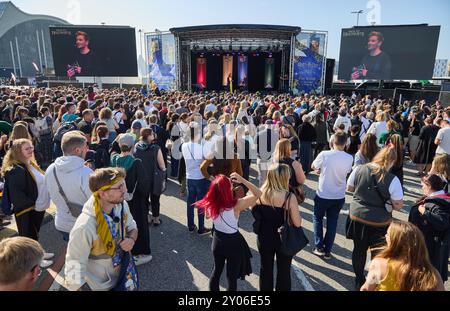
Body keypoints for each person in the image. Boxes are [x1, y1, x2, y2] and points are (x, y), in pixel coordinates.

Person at [64, 168, 138, 291]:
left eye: (123, 184)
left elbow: (132, 227)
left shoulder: (121, 205)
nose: (125, 190)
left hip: (125, 274)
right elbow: (74, 268)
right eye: (119, 187)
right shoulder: (84, 227)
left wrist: (131, 239)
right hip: (100, 286)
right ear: (102, 193)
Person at [346, 147, 404, 290]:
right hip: (380, 221)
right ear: (391, 161)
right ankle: (374, 282)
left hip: (357, 216)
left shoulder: (359, 169)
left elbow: (349, 188)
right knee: (378, 254)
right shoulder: (392, 179)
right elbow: (398, 205)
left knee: (358, 250)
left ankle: (359, 279)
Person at [196, 173, 260, 291]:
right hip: (233, 243)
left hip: (217, 241)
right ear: (228, 189)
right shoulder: (236, 205)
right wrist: (243, 180)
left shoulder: (210, 203)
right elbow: (258, 194)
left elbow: (207, 216)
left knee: (216, 271)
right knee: (231, 277)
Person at [1, 138, 54, 267]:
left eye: (31, 147)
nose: (31, 150)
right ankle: (34, 261)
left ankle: (38, 254)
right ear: (18, 151)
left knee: (34, 234)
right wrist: (31, 204)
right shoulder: (16, 170)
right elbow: (17, 195)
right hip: (28, 209)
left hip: (37, 206)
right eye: (27, 148)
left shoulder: (28, 163)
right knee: (27, 236)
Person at [252, 164, 302, 291]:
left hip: (264, 236)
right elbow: (297, 223)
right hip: (283, 238)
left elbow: (254, 211)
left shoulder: (260, 195)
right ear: (285, 178)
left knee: (265, 269)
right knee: (284, 271)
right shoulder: (289, 197)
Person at [361, 220, 445, 291]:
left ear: (395, 242)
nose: (385, 236)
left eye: (388, 234)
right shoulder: (432, 273)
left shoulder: (379, 265)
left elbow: (366, 288)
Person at [111, 134, 152, 266]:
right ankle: (141, 252)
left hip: (118, 200)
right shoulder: (136, 162)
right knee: (138, 225)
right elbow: (144, 186)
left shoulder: (114, 160)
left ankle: (125, 250)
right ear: (132, 146)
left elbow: (112, 150)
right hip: (136, 201)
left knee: (123, 225)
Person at [311, 133, 353, 259]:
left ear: (332, 141)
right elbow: (347, 171)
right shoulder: (349, 157)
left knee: (317, 218)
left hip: (324, 193)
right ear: (345, 143)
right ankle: (328, 249)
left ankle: (319, 246)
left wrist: (319, 170)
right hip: (339, 194)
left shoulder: (325, 154)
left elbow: (313, 166)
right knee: (332, 222)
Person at [45, 131, 92, 241]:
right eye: (86, 147)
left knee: (72, 254)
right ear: (78, 150)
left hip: (61, 222)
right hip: (83, 225)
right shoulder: (86, 173)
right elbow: (95, 202)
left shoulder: (51, 168)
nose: (87, 150)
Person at [409, 174, 450, 282]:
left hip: (431, 247)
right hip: (433, 246)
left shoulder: (438, 203)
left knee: (428, 279)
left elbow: (442, 222)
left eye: (423, 186)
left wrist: (425, 213)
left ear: (429, 186)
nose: (421, 188)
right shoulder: (440, 199)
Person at [182, 122, 212, 235]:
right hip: (200, 177)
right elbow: (208, 161)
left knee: (190, 203)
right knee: (200, 203)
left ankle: (190, 226)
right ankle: (201, 228)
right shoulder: (201, 147)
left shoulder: (184, 145)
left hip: (189, 176)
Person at [134, 128, 166, 226]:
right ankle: (156, 219)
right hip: (154, 178)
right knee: (155, 199)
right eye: (152, 134)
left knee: (144, 199)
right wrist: (164, 178)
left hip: (141, 177)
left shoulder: (136, 146)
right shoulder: (156, 148)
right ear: (148, 136)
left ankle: (147, 217)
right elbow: (162, 165)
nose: (154, 135)